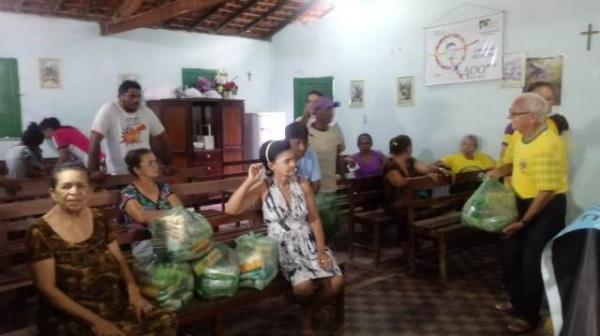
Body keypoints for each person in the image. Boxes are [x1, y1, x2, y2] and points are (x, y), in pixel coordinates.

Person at [25, 162, 177, 335]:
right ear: (53, 193)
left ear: (89, 191)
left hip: (112, 301)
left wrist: (133, 291)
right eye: (66, 186)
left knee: (165, 319)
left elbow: (119, 259)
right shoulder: (40, 231)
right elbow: (47, 289)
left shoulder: (98, 217)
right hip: (73, 314)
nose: (74, 192)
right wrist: (96, 322)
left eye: (81, 186)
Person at [224, 140, 343, 335]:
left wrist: (321, 250)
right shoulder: (263, 187)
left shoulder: (302, 184)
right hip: (283, 247)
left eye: (293, 160)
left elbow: (313, 218)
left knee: (336, 282)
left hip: (309, 243)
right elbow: (231, 209)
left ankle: (310, 314)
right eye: (287, 161)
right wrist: (248, 180)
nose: (293, 164)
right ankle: (308, 318)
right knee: (303, 288)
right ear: (272, 165)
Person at [487, 93, 568, 334]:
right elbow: (517, 165)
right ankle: (516, 301)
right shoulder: (522, 137)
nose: (510, 117)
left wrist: (523, 222)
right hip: (523, 201)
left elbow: (546, 191)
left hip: (545, 207)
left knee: (530, 262)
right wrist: (499, 171)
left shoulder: (549, 143)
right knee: (511, 258)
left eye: (514, 113)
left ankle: (529, 316)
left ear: (532, 117)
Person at [88, 80, 175, 179]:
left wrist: (168, 164)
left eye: (139, 96)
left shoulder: (146, 111)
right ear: (120, 96)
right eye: (132, 96)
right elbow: (94, 140)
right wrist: (93, 171)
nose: (136, 100)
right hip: (118, 174)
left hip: (144, 172)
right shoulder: (109, 110)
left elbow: (163, 138)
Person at [119, 148, 183, 260]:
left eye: (155, 161)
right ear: (137, 170)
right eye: (150, 163)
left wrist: (152, 215)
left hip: (171, 238)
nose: (156, 166)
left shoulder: (164, 188)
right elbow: (141, 216)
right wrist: (171, 214)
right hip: (145, 243)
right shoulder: (128, 193)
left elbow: (181, 211)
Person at [499, 81, 569, 162]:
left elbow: (562, 154)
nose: (545, 103)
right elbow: (503, 158)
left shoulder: (558, 123)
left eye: (549, 99)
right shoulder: (513, 127)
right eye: (540, 99)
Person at [307, 97, 345, 241]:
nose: (332, 113)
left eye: (332, 110)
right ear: (316, 112)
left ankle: (326, 252)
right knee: (315, 225)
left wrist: (345, 178)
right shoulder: (307, 133)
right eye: (328, 109)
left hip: (331, 186)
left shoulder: (335, 132)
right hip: (314, 188)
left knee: (331, 225)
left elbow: (339, 156)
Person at [383, 135, 449, 215]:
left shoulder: (410, 160)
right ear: (408, 148)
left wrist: (440, 170)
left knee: (432, 208)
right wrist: (424, 178)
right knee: (429, 209)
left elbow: (425, 167)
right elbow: (399, 182)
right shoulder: (390, 165)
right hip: (396, 205)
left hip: (412, 201)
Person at [285, 121, 321, 194]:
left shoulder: (311, 153)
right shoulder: (280, 156)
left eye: (305, 142)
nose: (302, 147)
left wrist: (308, 202)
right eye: (297, 143)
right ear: (287, 142)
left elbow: (316, 183)